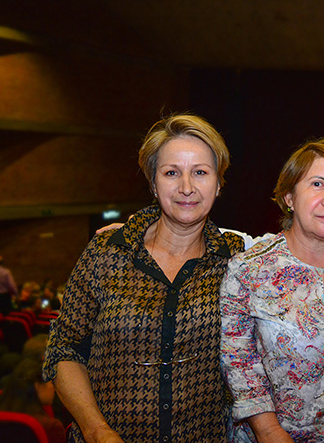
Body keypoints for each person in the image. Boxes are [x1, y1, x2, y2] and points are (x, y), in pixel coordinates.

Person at [42, 114, 244, 442]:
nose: (187, 187)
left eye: (201, 173)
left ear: (219, 184)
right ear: (153, 183)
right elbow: (64, 350)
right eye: (171, 173)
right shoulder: (107, 252)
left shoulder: (237, 261)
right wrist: (96, 431)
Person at [221, 138, 324, 442]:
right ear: (289, 196)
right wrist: (270, 434)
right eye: (317, 184)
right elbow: (240, 368)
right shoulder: (249, 270)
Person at [0, 357, 66, 443]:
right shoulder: (51, 427)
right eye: (50, 382)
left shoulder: (4, 418)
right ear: (37, 386)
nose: (53, 388)